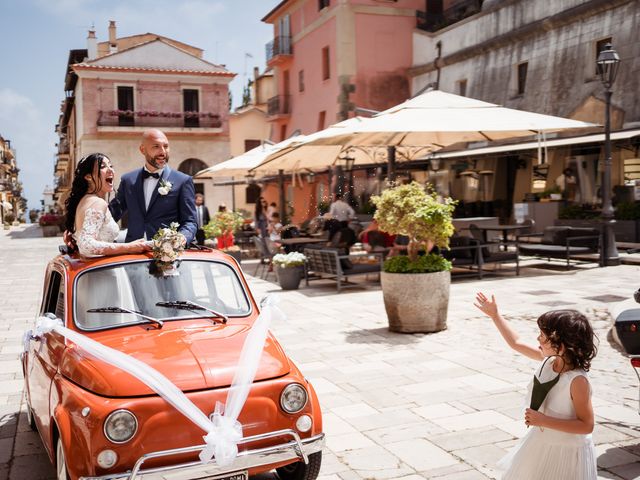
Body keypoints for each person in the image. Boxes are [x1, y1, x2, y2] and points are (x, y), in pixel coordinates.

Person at [474, 292, 597, 480]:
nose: (538, 339)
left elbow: (587, 425)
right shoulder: (549, 361)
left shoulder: (577, 381)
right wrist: (495, 316)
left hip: (567, 452)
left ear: (561, 346)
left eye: (542, 335)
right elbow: (516, 343)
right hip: (541, 442)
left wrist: (543, 420)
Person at [109, 129, 197, 244]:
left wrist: (181, 239)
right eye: (156, 146)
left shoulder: (183, 181)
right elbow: (112, 214)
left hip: (168, 253)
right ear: (142, 150)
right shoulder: (128, 180)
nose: (163, 152)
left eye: (166, 146)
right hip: (133, 253)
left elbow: (190, 222)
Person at [64, 153, 151, 257]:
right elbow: (86, 245)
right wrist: (130, 247)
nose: (110, 170)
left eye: (111, 166)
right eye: (103, 167)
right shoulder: (97, 203)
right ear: (88, 176)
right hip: (102, 269)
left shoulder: (84, 201)